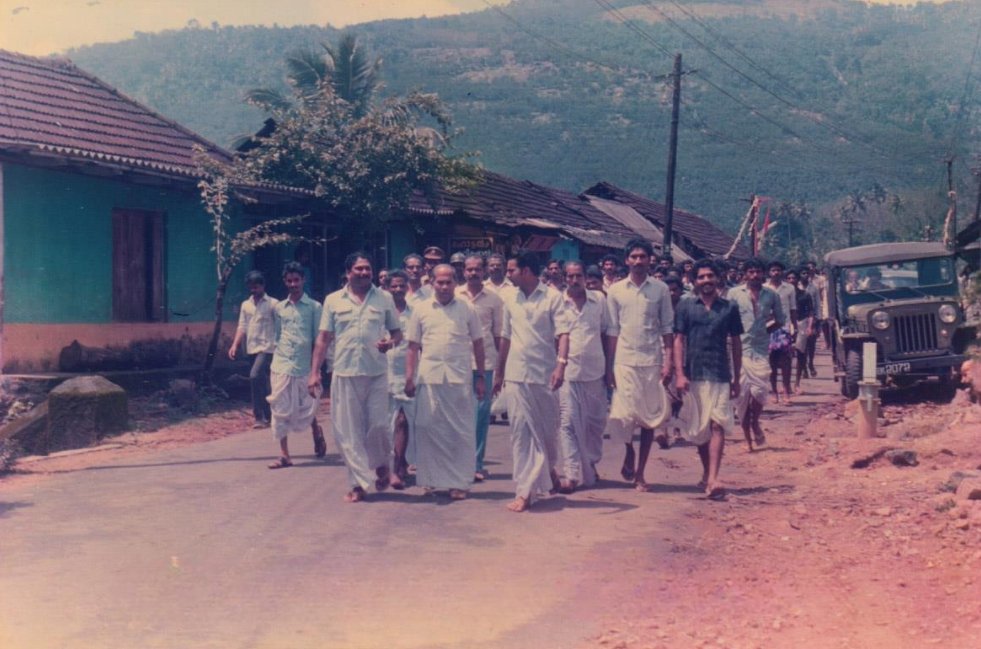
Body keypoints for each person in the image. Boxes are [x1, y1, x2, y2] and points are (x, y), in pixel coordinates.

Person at [308, 252, 402, 502]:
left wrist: (390, 343)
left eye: (367, 268)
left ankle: (382, 464)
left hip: (377, 373)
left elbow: (397, 333)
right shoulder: (333, 300)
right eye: (359, 269)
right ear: (348, 272)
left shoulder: (384, 298)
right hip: (345, 371)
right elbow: (323, 338)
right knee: (349, 432)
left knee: (379, 425)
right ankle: (358, 484)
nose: (364, 273)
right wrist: (314, 372)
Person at [493, 252, 570, 512]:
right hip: (516, 375)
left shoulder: (552, 297)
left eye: (511, 270)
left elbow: (563, 334)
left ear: (526, 271)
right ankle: (525, 492)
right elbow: (505, 337)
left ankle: (548, 470)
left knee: (547, 435)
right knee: (521, 435)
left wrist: (561, 365)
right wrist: (499, 372)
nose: (507, 274)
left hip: (544, 376)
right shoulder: (510, 299)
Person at [405, 265, 486, 500]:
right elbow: (412, 346)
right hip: (429, 377)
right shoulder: (420, 310)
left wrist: (480, 376)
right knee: (427, 427)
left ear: (455, 283)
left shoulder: (466, 308)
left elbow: (478, 343)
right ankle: (430, 479)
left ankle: (459, 482)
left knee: (459, 431)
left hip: (458, 378)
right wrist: (409, 377)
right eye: (439, 282)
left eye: (448, 282)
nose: (443, 287)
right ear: (431, 283)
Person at [605, 239, 675, 491]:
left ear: (649, 260)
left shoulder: (660, 289)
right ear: (626, 260)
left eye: (642, 257)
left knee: (648, 419)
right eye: (633, 256)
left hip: (651, 361)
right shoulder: (615, 290)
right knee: (623, 416)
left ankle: (641, 474)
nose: (637, 261)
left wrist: (668, 363)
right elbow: (612, 330)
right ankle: (628, 451)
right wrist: (609, 366)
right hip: (623, 361)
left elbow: (667, 328)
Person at [673, 259, 742, 500]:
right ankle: (707, 474)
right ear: (694, 281)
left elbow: (735, 343)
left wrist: (736, 378)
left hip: (721, 374)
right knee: (700, 431)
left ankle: (713, 478)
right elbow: (678, 340)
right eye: (701, 277)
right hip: (694, 375)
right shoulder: (685, 307)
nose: (706, 281)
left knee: (717, 424)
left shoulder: (729, 308)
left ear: (718, 279)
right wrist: (679, 374)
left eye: (710, 276)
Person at [555, 261, 611, 492]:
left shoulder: (599, 300)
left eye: (579, 275)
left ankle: (590, 463)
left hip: (595, 371)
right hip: (567, 372)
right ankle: (571, 472)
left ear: (585, 277)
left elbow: (608, 332)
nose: (575, 280)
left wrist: (610, 369)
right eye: (571, 276)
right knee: (567, 423)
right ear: (565, 278)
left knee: (595, 423)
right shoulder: (557, 302)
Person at [266, 262, 326, 469]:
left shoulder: (315, 307)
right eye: (289, 281)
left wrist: (315, 371)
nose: (293, 284)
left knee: (306, 407)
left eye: (296, 280)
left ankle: (316, 430)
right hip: (281, 365)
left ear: (303, 280)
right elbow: (277, 335)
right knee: (279, 408)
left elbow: (319, 340)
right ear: (285, 282)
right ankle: (284, 455)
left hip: (304, 367)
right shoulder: (279, 308)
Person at [729, 258, 785, 451]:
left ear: (763, 273)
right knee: (742, 396)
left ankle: (755, 423)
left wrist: (764, 331)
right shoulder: (734, 294)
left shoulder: (771, 295)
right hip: (738, 351)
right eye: (751, 272)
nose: (755, 275)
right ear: (745, 274)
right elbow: (725, 318)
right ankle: (748, 440)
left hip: (760, 349)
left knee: (759, 393)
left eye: (758, 272)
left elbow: (780, 319)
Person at [456, 255, 504, 482]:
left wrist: (500, 371)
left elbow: (498, 336)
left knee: (481, 415)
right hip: (457, 364)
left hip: (484, 365)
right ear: (463, 272)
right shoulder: (454, 295)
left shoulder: (494, 300)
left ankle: (476, 463)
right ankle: (458, 463)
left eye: (477, 269)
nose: (473, 273)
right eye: (469, 269)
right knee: (459, 415)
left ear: (484, 271)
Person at [229, 270, 276, 429]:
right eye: (251, 287)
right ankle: (270, 415)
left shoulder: (273, 304)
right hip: (251, 348)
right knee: (262, 382)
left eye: (256, 287)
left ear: (262, 286)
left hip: (268, 348)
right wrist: (235, 344)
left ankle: (258, 416)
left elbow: (280, 326)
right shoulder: (246, 305)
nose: (253, 290)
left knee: (255, 376)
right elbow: (242, 326)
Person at [384, 270, 414, 488]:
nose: (398, 290)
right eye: (393, 286)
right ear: (387, 287)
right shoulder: (380, 313)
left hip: (407, 374)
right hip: (383, 374)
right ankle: (396, 462)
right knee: (386, 423)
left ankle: (397, 468)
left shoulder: (415, 313)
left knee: (403, 420)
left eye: (401, 286)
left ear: (407, 287)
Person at [766, 261, 797, 403]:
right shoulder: (764, 288)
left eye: (778, 270)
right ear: (769, 272)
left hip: (784, 327)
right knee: (771, 361)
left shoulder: (789, 288)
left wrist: (794, 327)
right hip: (767, 327)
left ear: (782, 272)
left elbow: (793, 309)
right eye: (773, 270)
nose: (776, 273)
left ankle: (786, 390)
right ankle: (773, 391)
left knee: (786, 361)